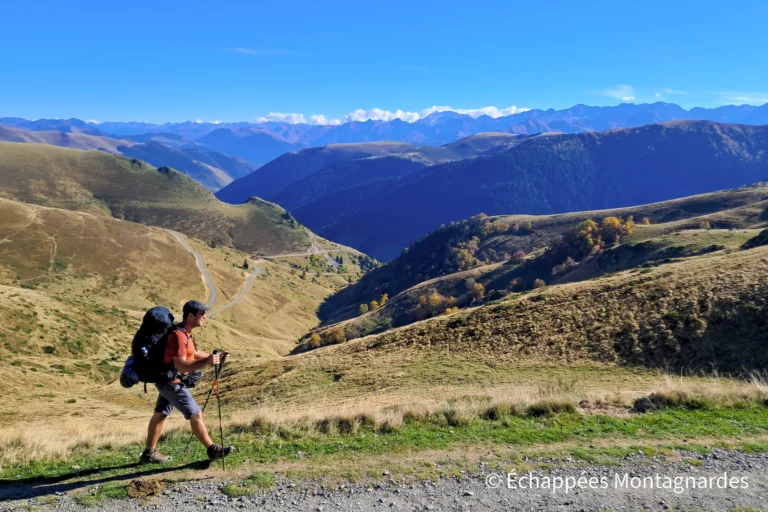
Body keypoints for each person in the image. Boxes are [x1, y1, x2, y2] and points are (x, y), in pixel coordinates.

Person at [139, 300, 233, 464]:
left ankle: (148, 454)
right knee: (195, 414)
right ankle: (212, 450)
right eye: (201, 314)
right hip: (171, 382)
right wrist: (206, 362)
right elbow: (181, 366)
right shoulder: (178, 335)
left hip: (166, 380)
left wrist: (214, 358)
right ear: (190, 316)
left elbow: (193, 353)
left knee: (160, 414)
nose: (204, 317)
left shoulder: (185, 332)